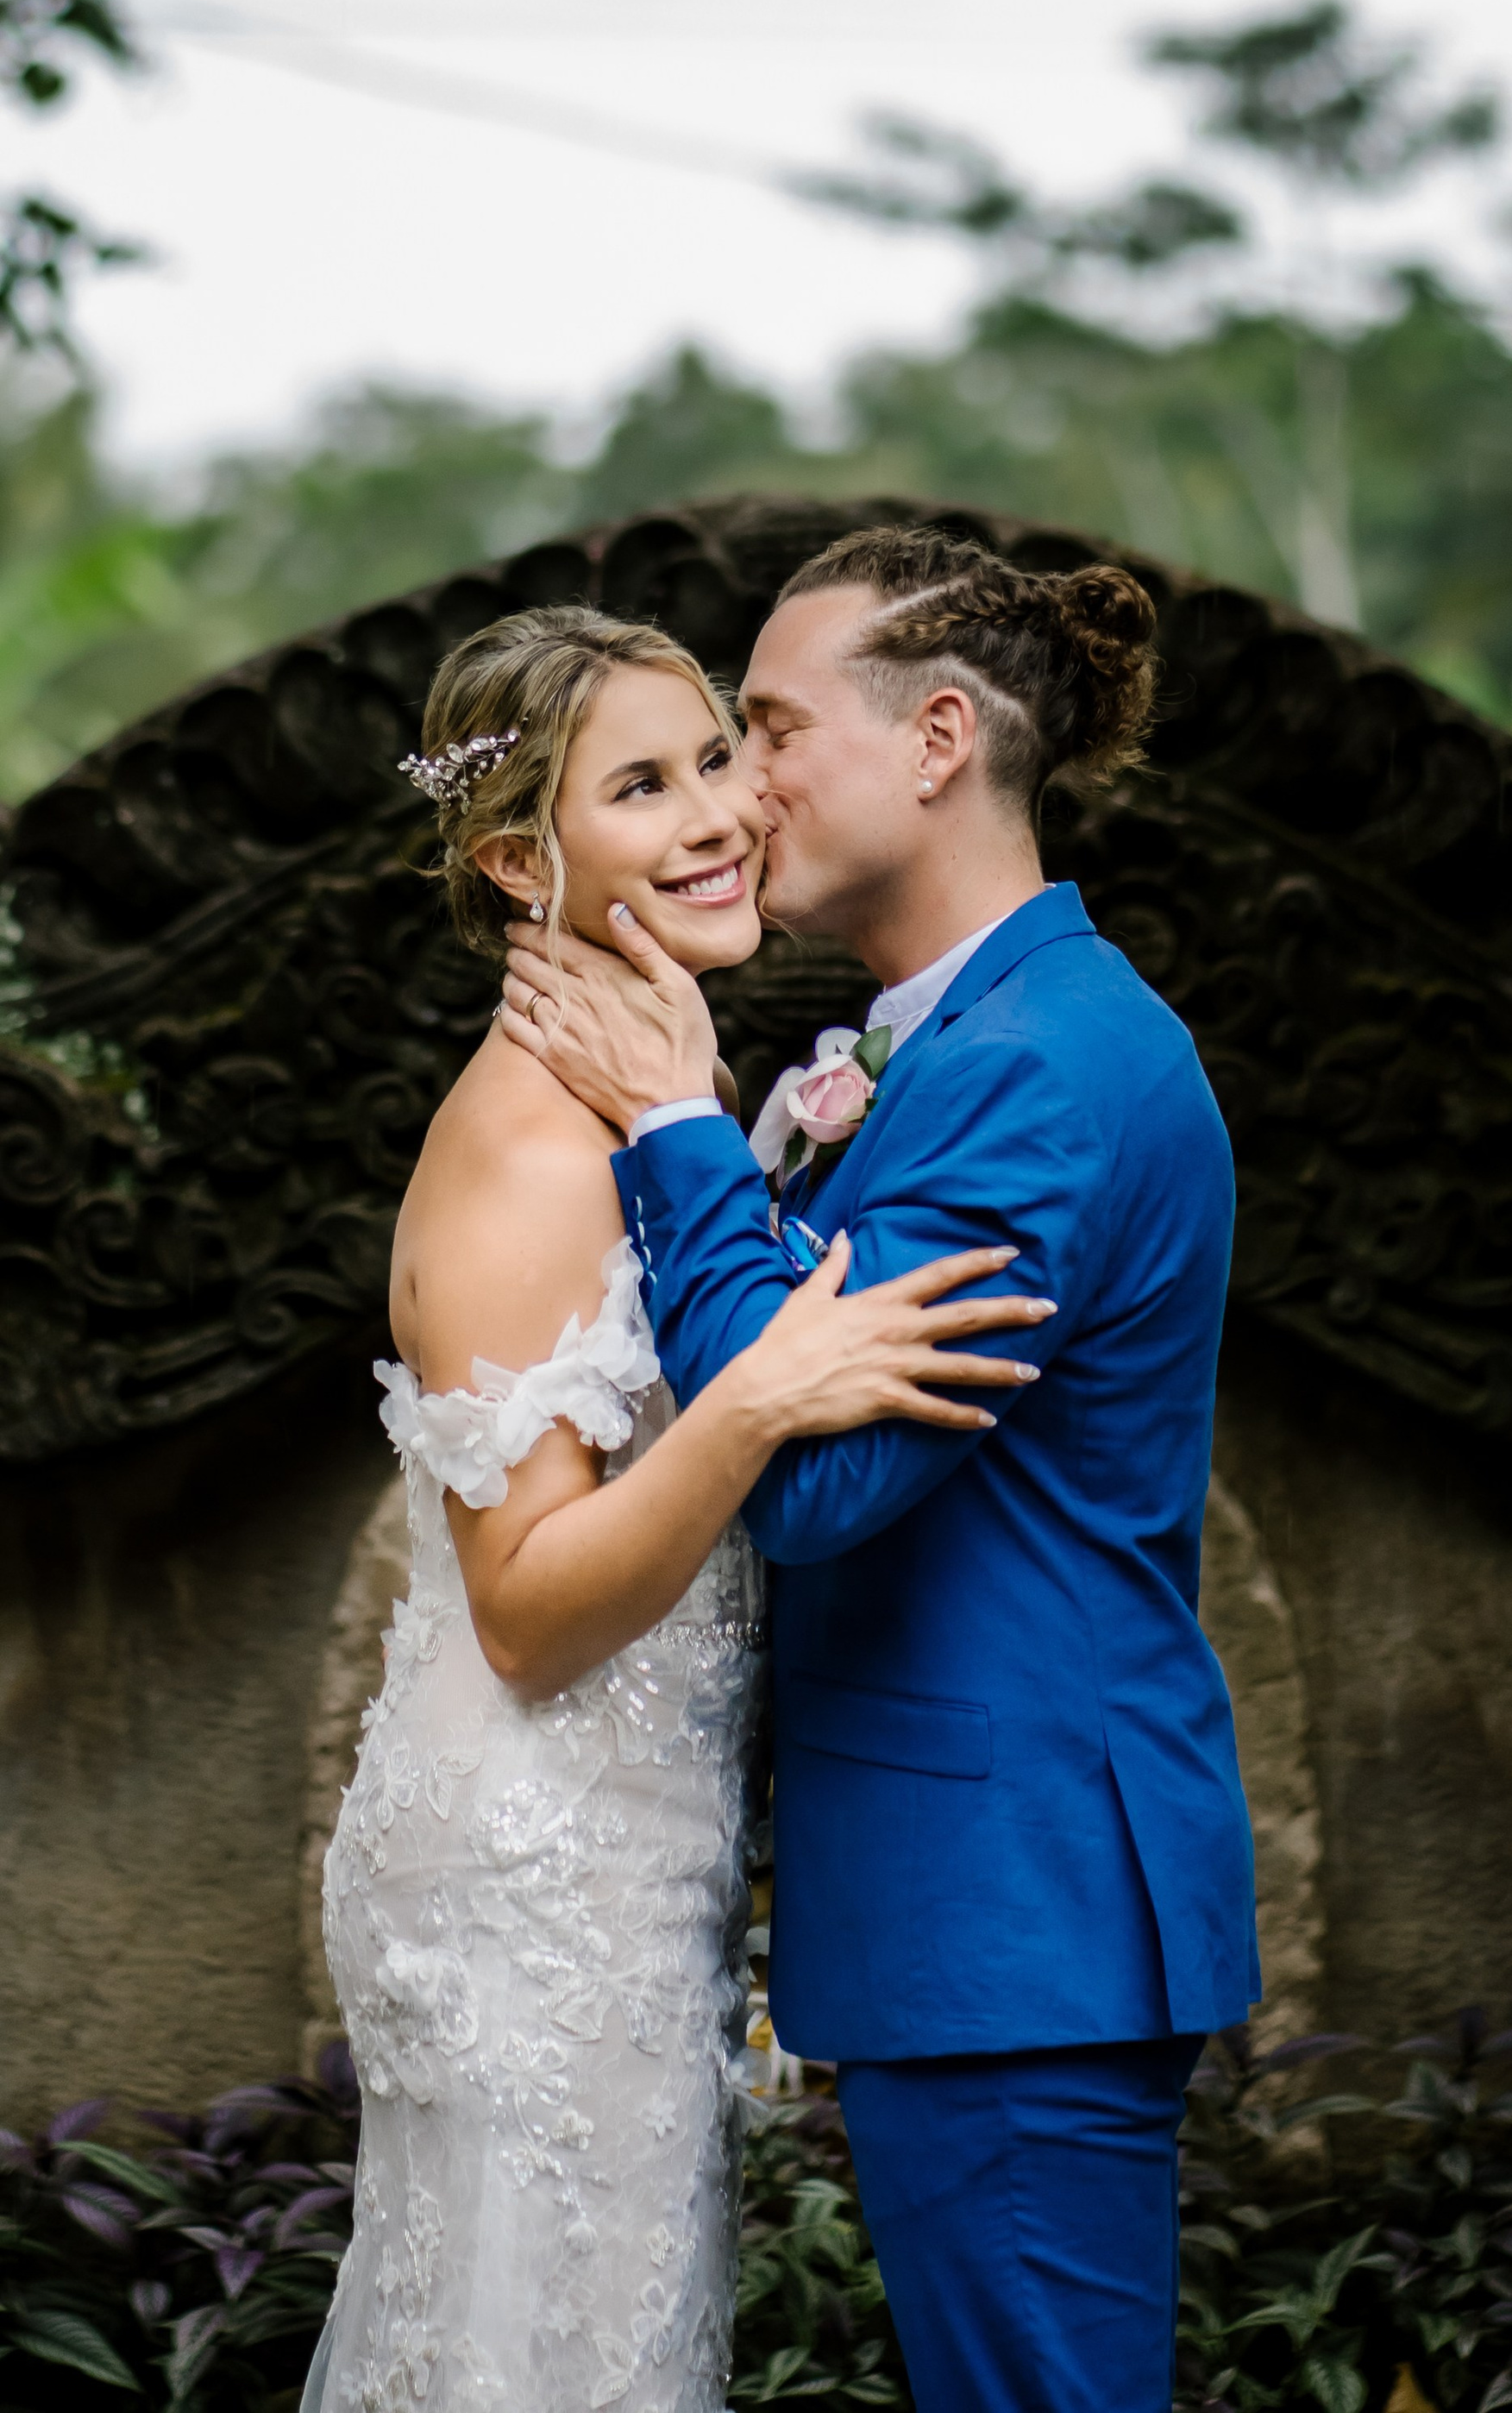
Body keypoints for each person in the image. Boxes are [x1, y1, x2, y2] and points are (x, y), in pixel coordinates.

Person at [499, 527, 1260, 2413]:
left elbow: (820, 1484)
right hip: (983, 1907)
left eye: (766, 729)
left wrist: (684, 1127)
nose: (740, 791)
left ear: (936, 738)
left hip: (1017, 1908)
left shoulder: (1042, 1070)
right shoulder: (958, 1048)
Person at [308, 603, 1051, 2413]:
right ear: (515, 856)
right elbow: (529, 1608)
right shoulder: (528, 1149)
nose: (719, 811)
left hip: (629, 1859)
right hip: (529, 1872)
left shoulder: (639, 1103)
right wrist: (757, 1401)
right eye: (642, 784)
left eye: (718, 751)